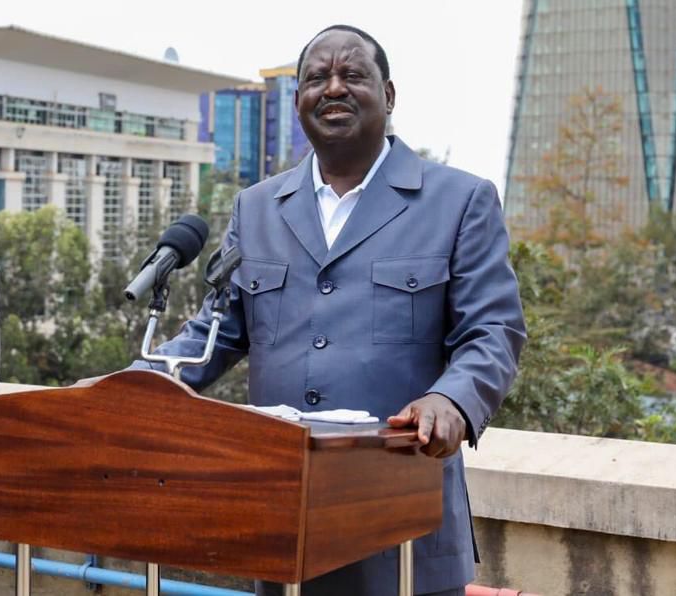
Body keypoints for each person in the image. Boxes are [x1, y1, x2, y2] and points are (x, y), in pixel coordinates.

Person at [138, 25, 526, 595]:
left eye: (353, 76)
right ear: (298, 101)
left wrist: (452, 399)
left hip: (403, 529)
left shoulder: (460, 200)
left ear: (388, 95)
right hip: (285, 523)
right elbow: (215, 332)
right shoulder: (257, 207)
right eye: (316, 78)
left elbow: (493, 329)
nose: (333, 88)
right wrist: (131, 385)